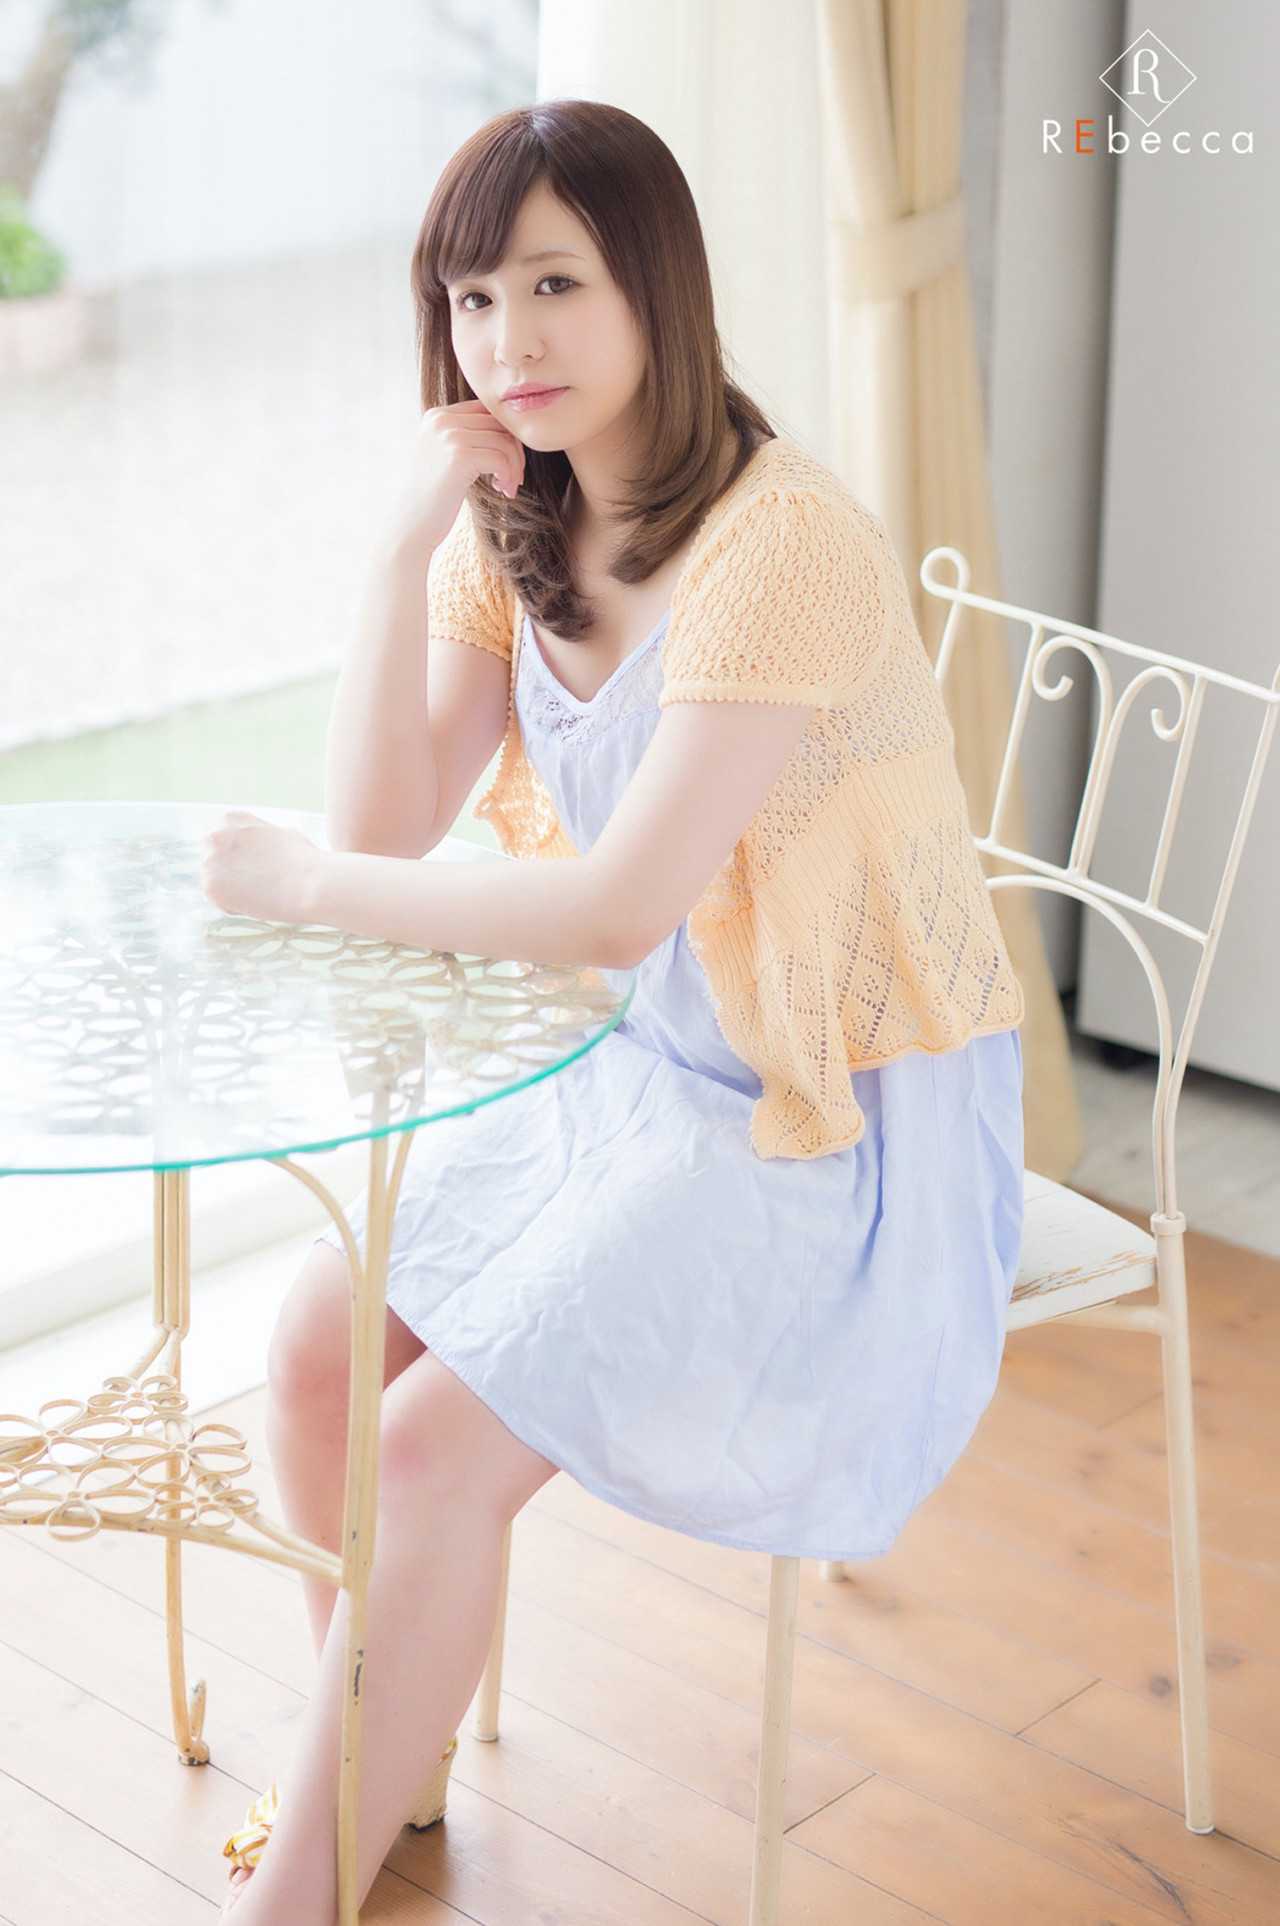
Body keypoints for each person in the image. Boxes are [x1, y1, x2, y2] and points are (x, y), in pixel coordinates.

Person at [203, 98, 1026, 1923]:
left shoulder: (780, 542)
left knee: (431, 1449)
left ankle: (296, 1890)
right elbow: (386, 821)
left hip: (830, 1119)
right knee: (320, 1341)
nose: (510, 339)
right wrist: (399, 541)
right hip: (643, 1061)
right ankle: (383, 1764)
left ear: (656, 279)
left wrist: (312, 888)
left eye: (556, 283)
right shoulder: (517, 520)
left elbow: (608, 903)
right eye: (472, 298)